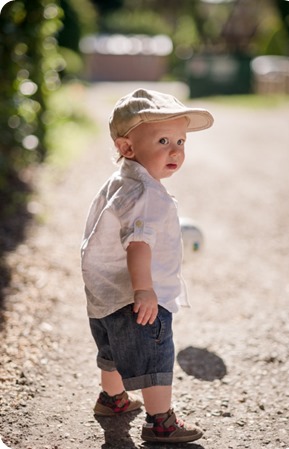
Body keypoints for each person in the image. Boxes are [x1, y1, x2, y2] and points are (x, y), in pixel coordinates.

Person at [81, 88, 214, 443]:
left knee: (112, 351)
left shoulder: (119, 183)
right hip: (138, 299)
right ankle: (161, 422)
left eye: (181, 141)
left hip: (105, 294)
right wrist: (144, 289)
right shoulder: (148, 195)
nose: (176, 150)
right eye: (163, 140)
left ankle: (113, 399)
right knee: (155, 357)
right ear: (127, 147)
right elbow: (138, 245)